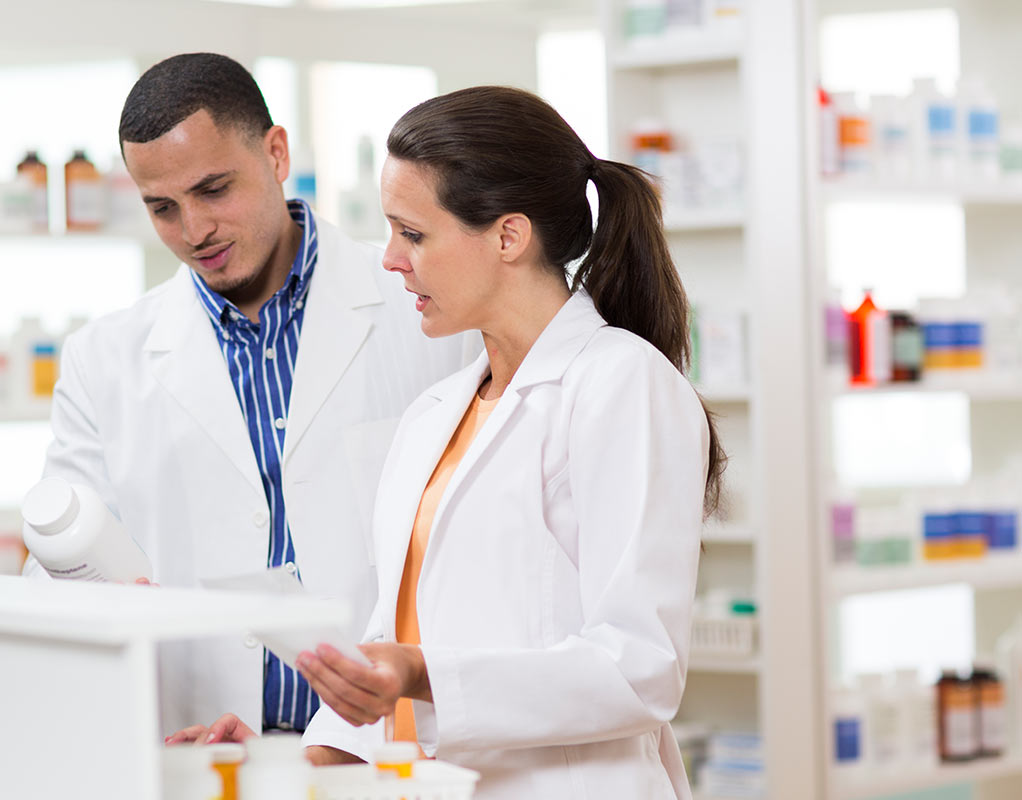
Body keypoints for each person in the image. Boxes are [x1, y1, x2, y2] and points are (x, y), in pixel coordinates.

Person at [182, 85, 726, 799]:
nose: (390, 259)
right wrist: (283, 769)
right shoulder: (434, 414)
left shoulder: (622, 385)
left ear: (508, 236)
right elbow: (391, 649)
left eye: (413, 234)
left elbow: (639, 666)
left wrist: (422, 673)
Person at [33, 53, 471, 739]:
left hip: (391, 751)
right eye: (162, 208)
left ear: (275, 153)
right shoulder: (103, 359)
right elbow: (57, 561)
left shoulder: (427, 311)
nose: (193, 230)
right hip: (208, 750)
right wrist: (98, 606)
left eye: (213, 190)